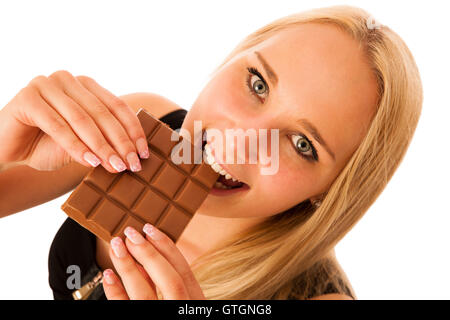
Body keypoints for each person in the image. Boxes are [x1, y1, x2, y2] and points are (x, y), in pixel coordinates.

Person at [0, 5, 422, 300]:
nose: (242, 137)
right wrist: (5, 140)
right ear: (230, 58)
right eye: (258, 83)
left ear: (331, 191)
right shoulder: (138, 126)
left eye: (303, 144)